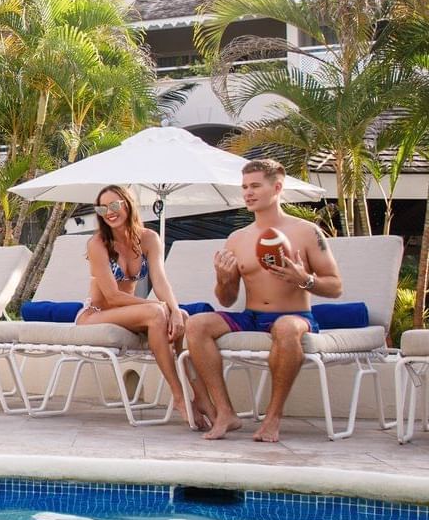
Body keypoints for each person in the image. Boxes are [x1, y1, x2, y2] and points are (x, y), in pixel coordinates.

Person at [184, 158, 343, 443]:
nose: (248, 193)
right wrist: (224, 279)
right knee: (196, 325)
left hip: (294, 317)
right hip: (251, 316)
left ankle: (273, 417)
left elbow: (335, 287)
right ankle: (225, 413)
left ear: (277, 187)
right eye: (244, 187)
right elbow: (227, 299)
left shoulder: (306, 232)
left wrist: (303, 279)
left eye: (255, 185)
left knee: (286, 329)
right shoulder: (237, 238)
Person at [74, 183, 191, 417]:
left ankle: (195, 395)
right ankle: (179, 396)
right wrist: (159, 307)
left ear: (128, 204)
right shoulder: (97, 244)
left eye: (115, 205)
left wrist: (175, 309)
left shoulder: (149, 239)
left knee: (184, 317)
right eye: (102, 208)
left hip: (128, 315)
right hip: (95, 315)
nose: (109, 212)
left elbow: (160, 282)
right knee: (157, 313)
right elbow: (113, 296)